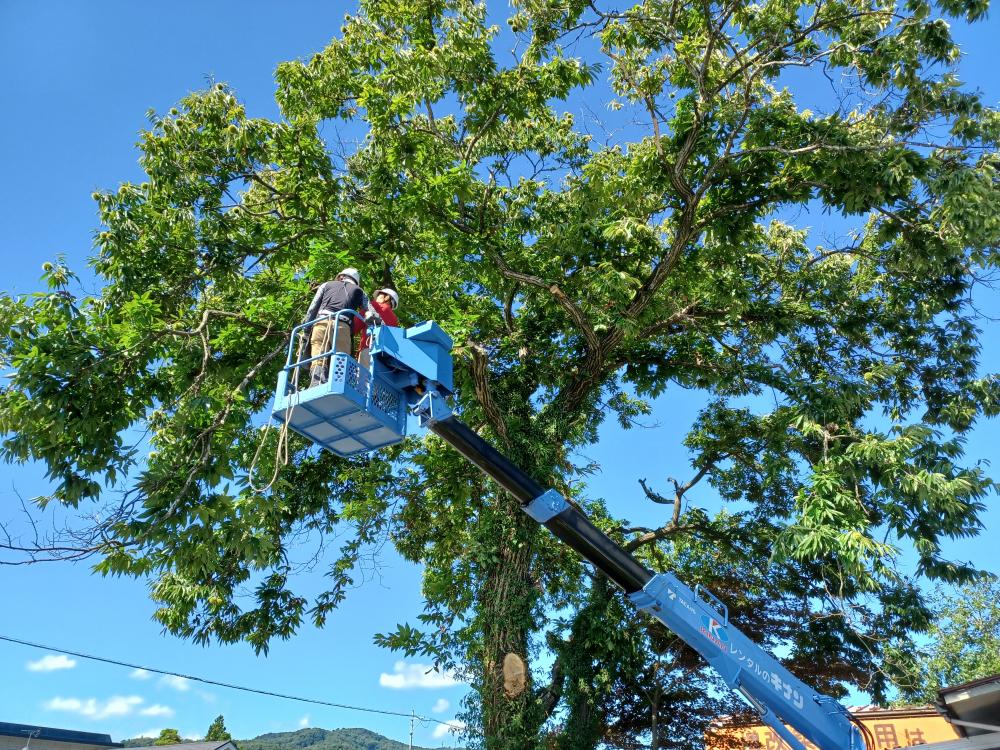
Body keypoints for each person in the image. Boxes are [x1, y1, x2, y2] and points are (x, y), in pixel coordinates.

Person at [303, 267, 366, 386]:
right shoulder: (359, 291)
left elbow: (312, 309)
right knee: (341, 358)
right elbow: (370, 312)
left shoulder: (326, 285)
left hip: (321, 323)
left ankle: (317, 382)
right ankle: (338, 384)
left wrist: (306, 330)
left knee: (318, 356)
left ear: (341, 276)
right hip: (343, 326)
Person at [358, 288, 399, 369]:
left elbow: (355, 324)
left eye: (379, 295)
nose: (376, 298)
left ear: (387, 297)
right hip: (386, 356)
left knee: (364, 376)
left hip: (369, 348)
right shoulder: (394, 319)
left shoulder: (373, 306)